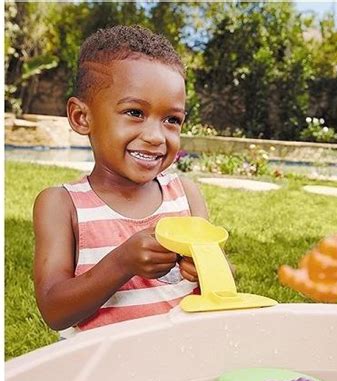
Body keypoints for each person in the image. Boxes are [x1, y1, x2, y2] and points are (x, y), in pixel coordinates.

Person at [33, 25, 209, 335]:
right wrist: (121, 263)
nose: (156, 136)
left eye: (172, 120)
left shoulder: (187, 195)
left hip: (184, 361)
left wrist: (208, 271)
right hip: (106, 372)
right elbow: (54, 311)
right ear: (81, 117)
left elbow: (220, 290)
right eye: (134, 112)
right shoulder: (62, 205)